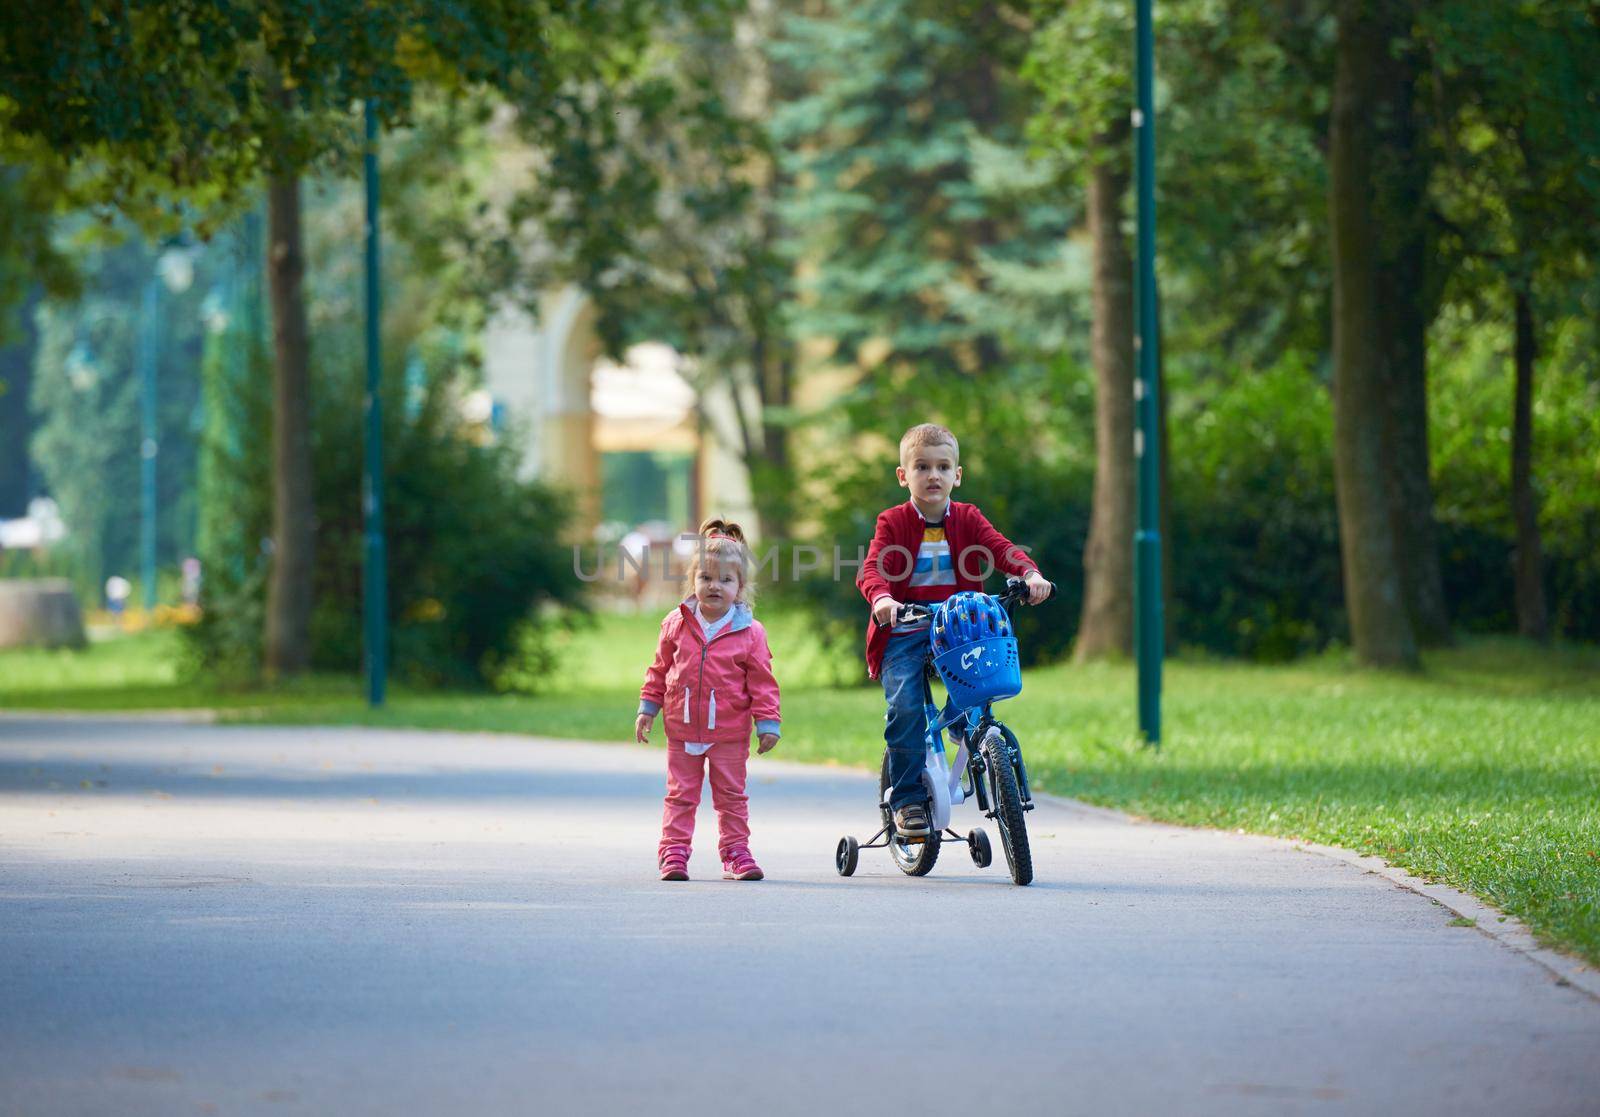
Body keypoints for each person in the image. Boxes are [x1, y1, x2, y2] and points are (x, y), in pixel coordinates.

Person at [856, 423, 1050, 838]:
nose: (933, 476)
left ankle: (972, 733)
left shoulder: (967, 517)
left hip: (959, 625)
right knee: (906, 706)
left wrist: (1029, 573)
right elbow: (872, 569)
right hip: (906, 626)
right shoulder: (892, 523)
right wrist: (883, 601)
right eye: (922, 467)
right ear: (903, 475)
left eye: (943, 467)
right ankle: (907, 798)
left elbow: (1001, 548)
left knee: (980, 689)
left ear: (957, 475)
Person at [636, 518, 781, 882]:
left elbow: (763, 682)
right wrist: (647, 709)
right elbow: (658, 669)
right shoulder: (676, 623)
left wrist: (767, 723)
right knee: (680, 796)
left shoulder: (750, 632)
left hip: (729, 732)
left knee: (731, 797)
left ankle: (735, 852)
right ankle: (673, 852)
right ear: (693, 580)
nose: (714, 586)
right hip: (682, 728)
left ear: (740, 586)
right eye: (705, 578)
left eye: (725, 580)